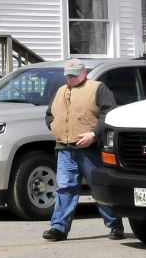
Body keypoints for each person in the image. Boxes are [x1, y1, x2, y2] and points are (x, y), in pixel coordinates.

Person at [43, 58, 124, 241]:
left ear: (84, 73)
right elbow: (49, 114)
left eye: (74, 74)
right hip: (65, 148)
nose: (71, 78)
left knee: (99, 188)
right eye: (68, 75)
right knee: (65, 188)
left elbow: (109, 113)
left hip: (91, 149)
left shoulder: (98, 88)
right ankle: (59, 228)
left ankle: (115, 225)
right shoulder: (60, 91)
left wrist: (94, 135)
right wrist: (53, 125)